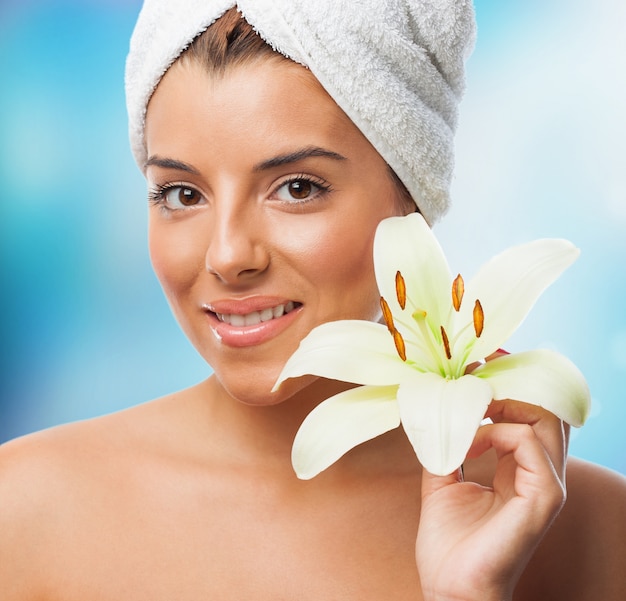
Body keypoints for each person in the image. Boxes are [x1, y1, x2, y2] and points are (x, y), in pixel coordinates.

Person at [1, 1, 625, 599]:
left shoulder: (588, 531)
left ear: (411, 197)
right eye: (182, 194)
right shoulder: (22, 510)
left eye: (296, 188)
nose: (226, 256)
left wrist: (468, 594)